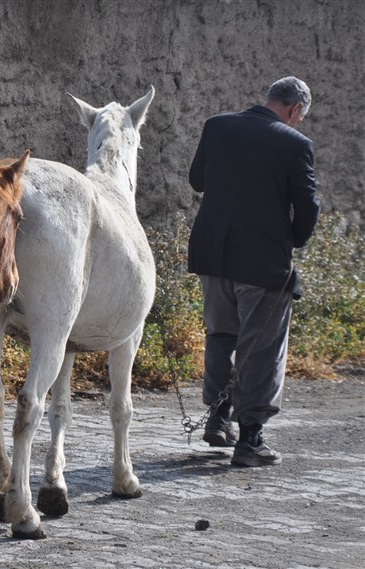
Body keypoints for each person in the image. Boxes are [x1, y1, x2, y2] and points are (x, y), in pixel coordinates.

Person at [188, 76, 320, 467]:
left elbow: (197, 181)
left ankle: (218, 416)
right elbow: (308, 207)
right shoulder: (296, 144)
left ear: (270, 98)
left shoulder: (218, 125)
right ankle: (250, 439)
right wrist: (291, 242)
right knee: (262, 347)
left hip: (213, 254)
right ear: (296, 110)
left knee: (221, 333)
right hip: (263, 261)